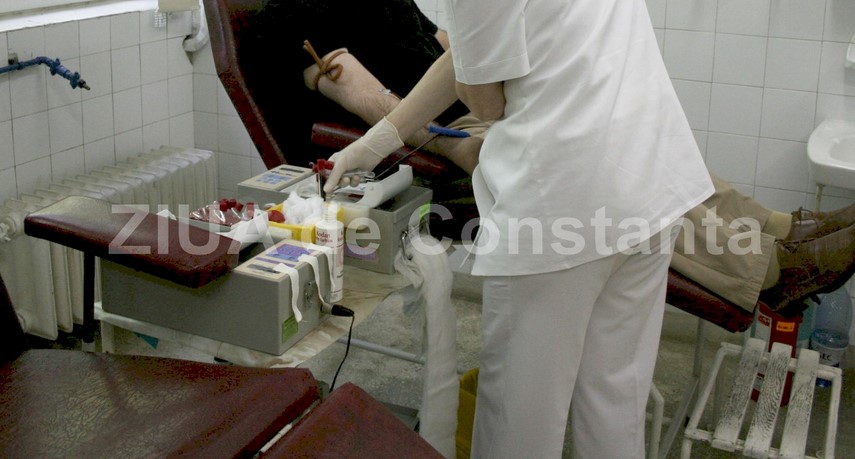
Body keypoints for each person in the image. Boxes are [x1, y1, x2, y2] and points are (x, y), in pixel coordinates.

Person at [329, 0, 716, 457]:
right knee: (613, 402)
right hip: (649, 179)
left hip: (561, 208)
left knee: (519, 426)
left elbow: (486, 102)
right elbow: (473, 52)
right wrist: (374, 144)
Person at [250, 0, 485, 172]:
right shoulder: (295, 12)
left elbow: (442, 42)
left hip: (474, 105)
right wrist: (455, 145)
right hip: (444, 128)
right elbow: (368, 98)